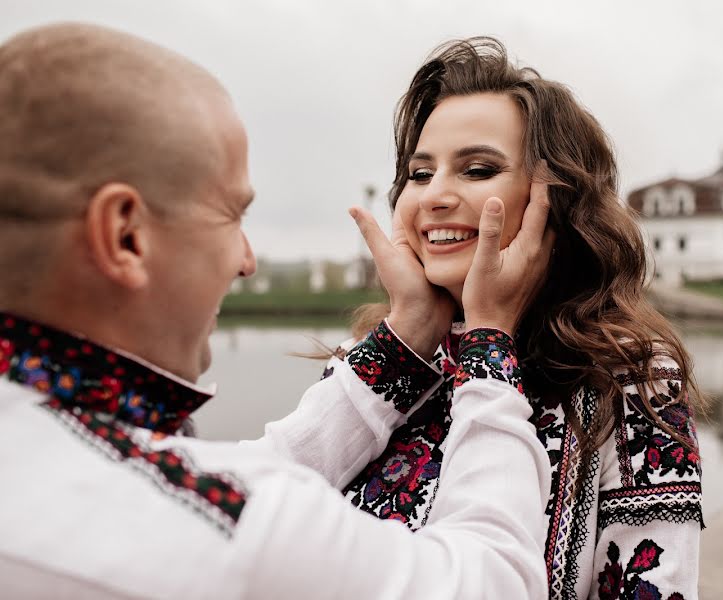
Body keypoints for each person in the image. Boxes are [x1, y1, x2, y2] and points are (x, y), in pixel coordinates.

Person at [0, 23, 556, 599]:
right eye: (230, 216)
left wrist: (407, 335)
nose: (246, 262)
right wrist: (490, 341)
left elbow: (242, 469)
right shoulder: (215, 530)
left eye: (478, 168)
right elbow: (493, 583)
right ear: (126, 237)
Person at [330, 38, 706, 600]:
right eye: (420, 172)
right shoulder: (374, 360)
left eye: (478, 169)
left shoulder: (626, 378)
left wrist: (489, 338)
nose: (436, 196)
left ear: (553, 200)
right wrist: (405, 332)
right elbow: (266, 521)